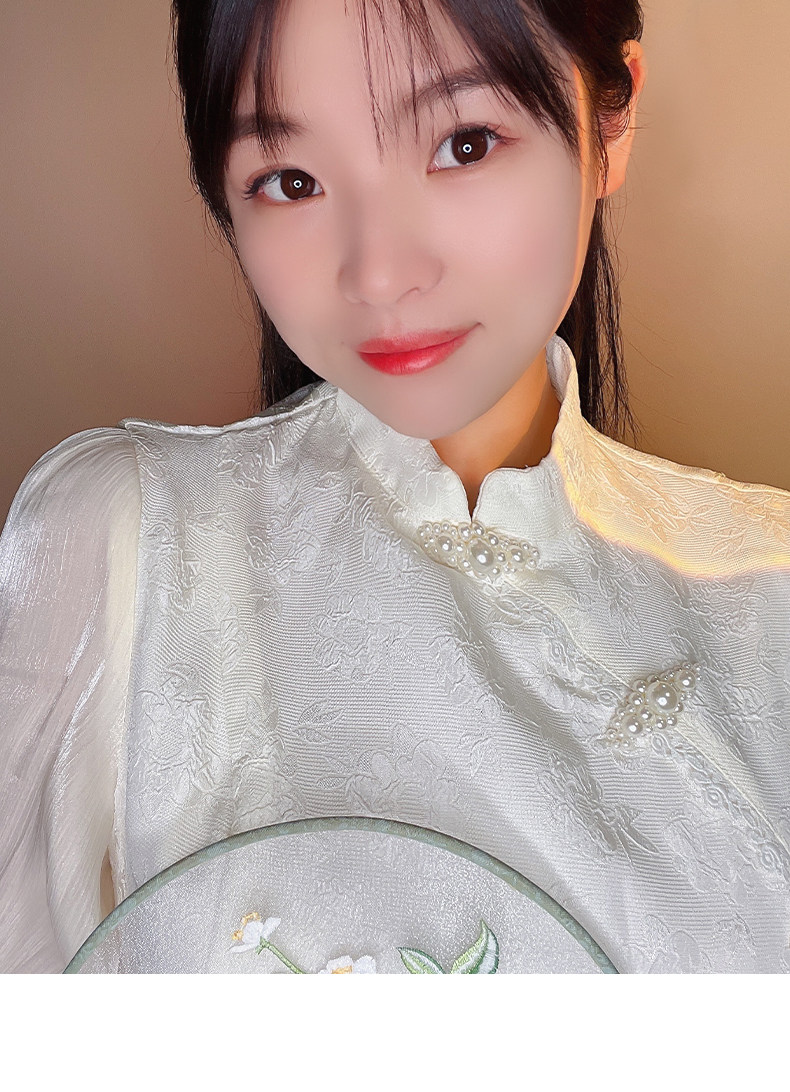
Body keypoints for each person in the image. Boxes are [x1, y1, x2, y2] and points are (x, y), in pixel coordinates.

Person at [1, 0, 788, 974]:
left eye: (464, 144)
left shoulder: (770, 590)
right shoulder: (130, 548)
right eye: (291, 181)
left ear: (611, 119)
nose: (378, 273)